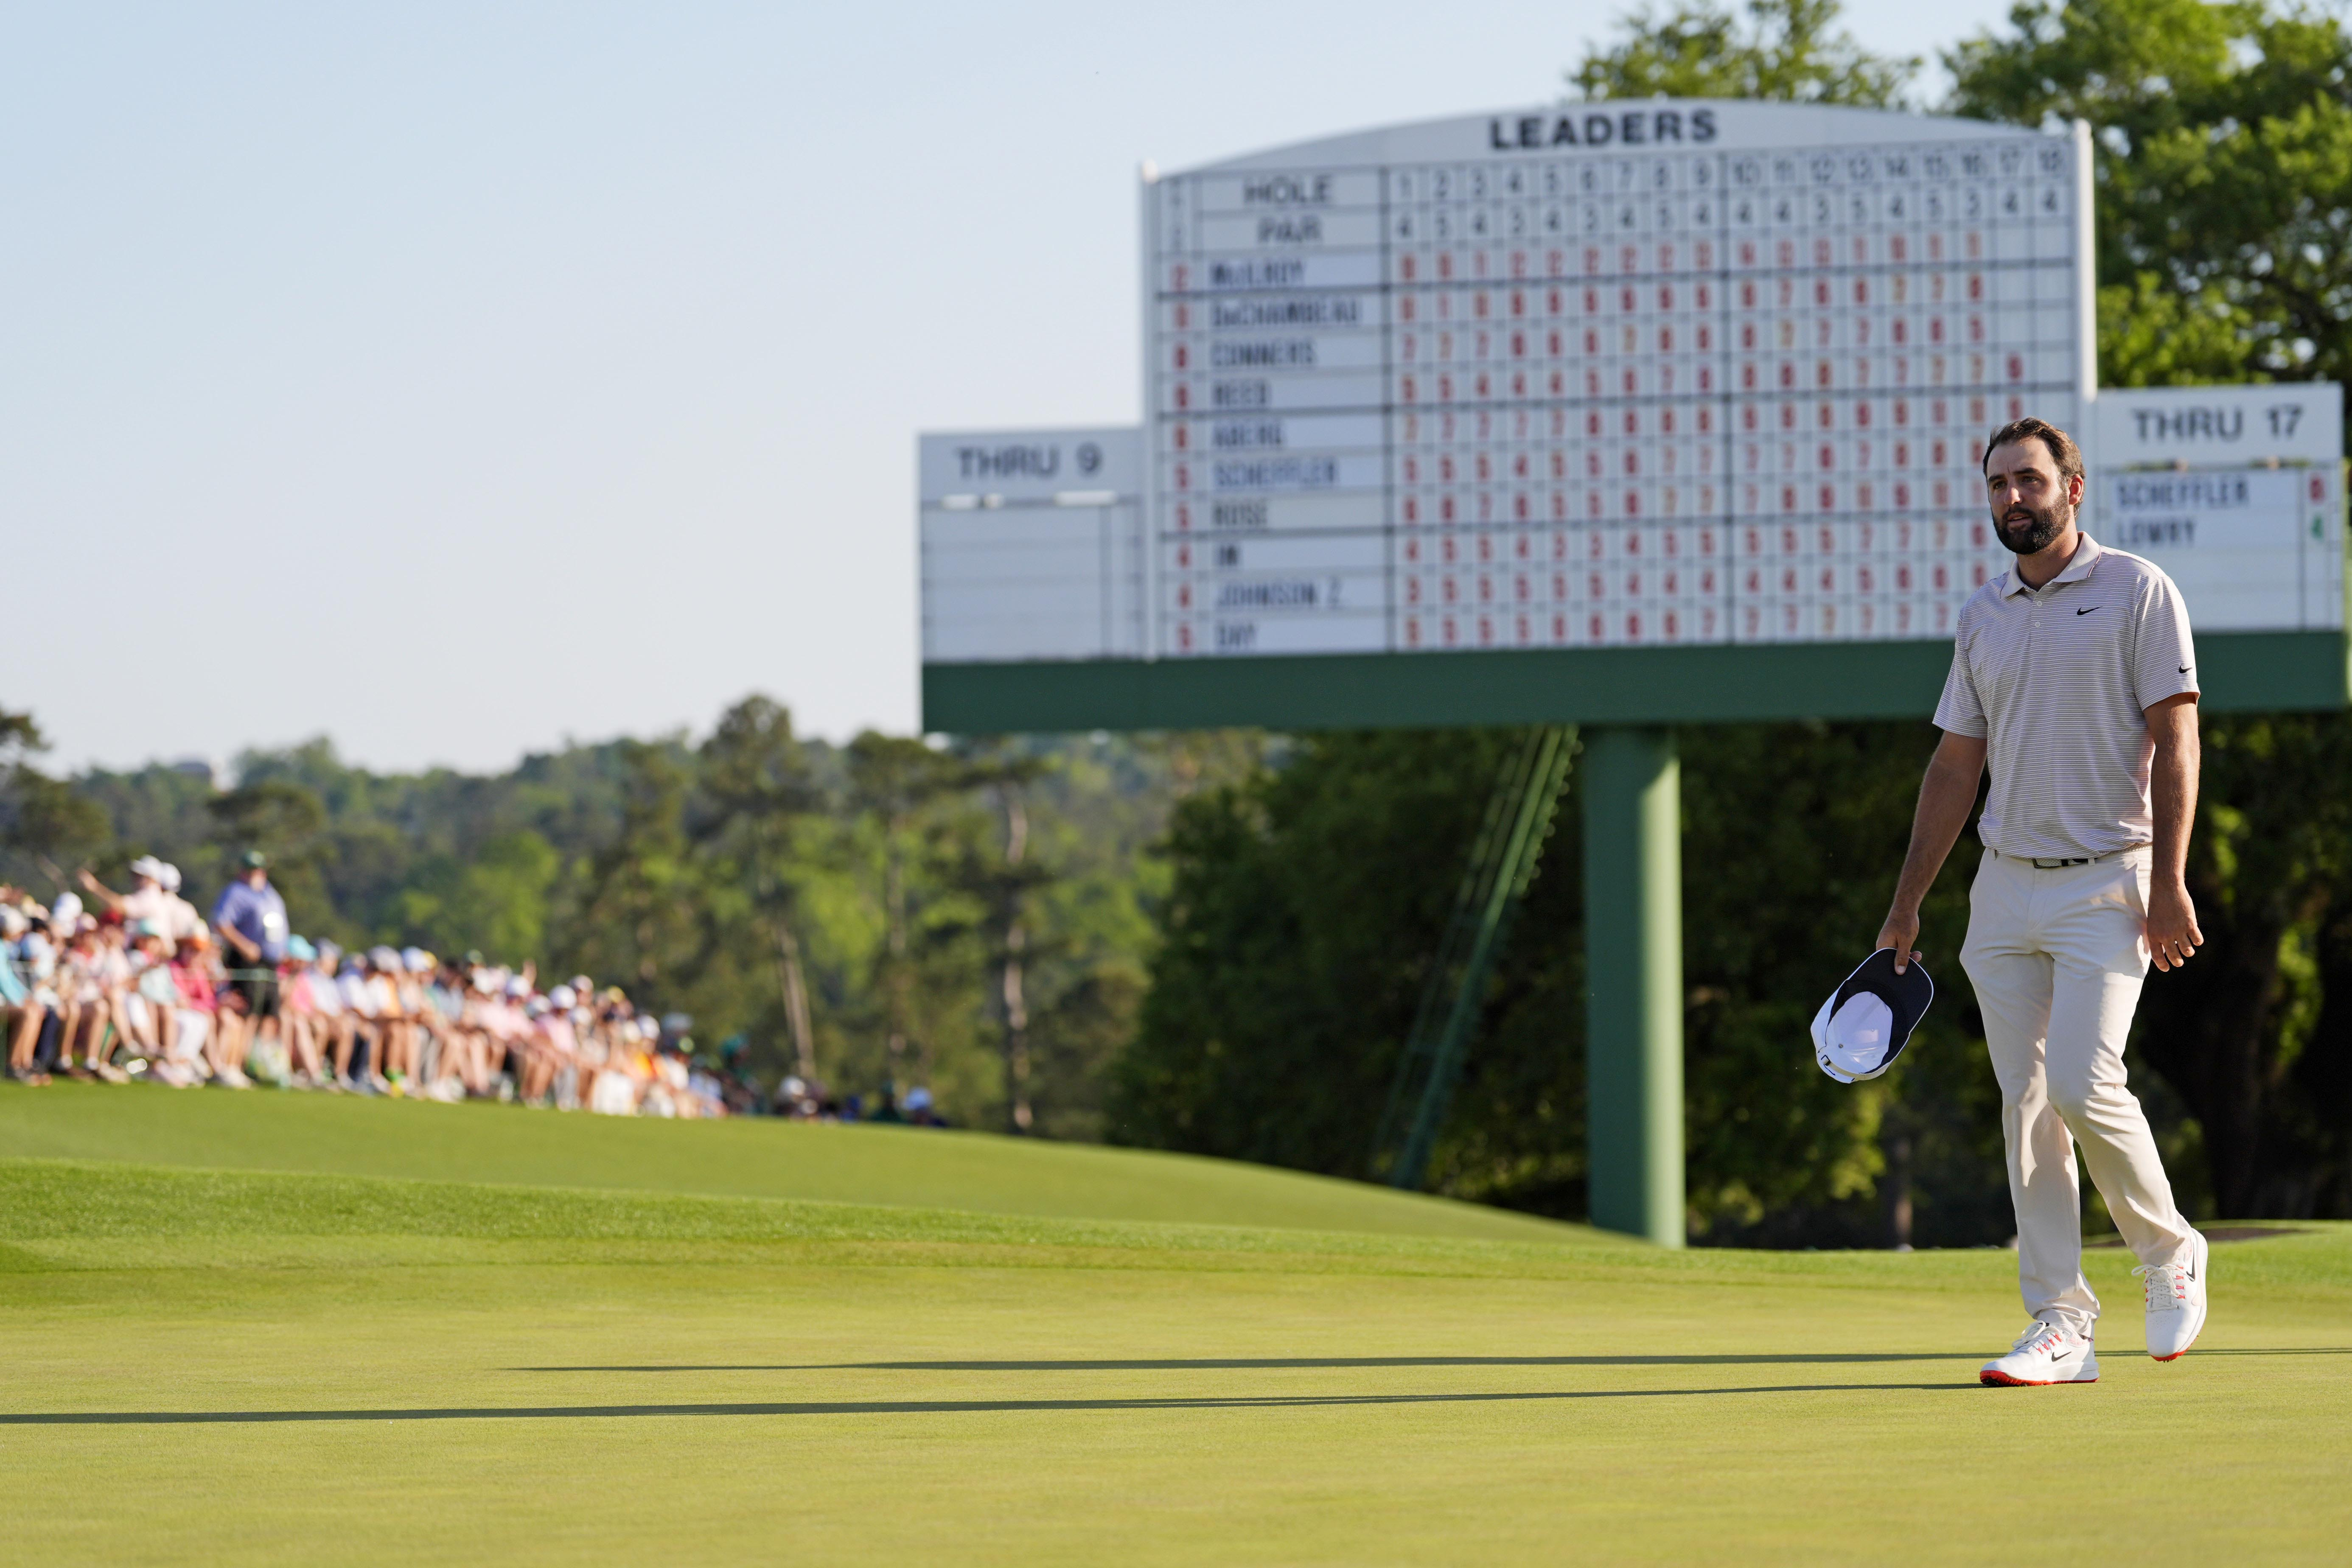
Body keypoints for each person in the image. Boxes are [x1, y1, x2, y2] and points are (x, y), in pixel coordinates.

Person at [1875, 417, 2209, 1389]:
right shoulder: (1981, 614)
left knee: (2075, 1082)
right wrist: (1906, 906)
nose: (2009, 499)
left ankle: (2166, 1250)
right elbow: (1951, 766)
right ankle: (2059, 1323)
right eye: (1995, 486)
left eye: (2027, 481)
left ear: (2071, 489)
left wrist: (2169, 881)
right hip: (2002, 892)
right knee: (2024, 1105)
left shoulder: (2136, 591)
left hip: (2109, 881)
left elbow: (2176, 743)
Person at [211, 850, 289, 1070]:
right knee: (248, 1014)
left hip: (270, 962)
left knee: (268, 1013)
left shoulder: (269, 893)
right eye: (251, 870)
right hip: (248, 961)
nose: (256, 874)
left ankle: (255, 1065)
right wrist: (244, 945)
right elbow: (222, 922)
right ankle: (235, 1064)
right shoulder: (236, 892)